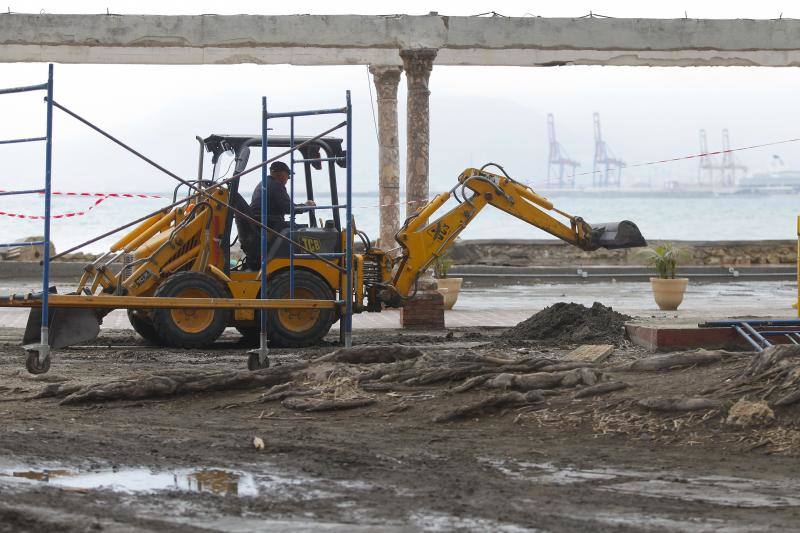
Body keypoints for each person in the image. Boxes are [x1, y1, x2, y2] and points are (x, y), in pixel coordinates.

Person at [250, 161, 316, 233]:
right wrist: (306, 206)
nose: (288, 179)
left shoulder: (264, 183)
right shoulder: (276, 185)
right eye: (288, 176)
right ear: (281, 174)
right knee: (304, 230)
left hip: (260, 223)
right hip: (271, 224)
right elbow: (288, 208)